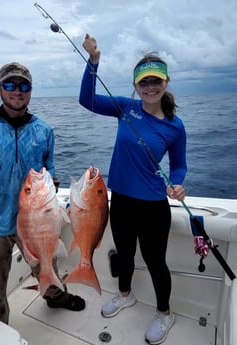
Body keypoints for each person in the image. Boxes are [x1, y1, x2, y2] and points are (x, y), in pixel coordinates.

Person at [0, 62, 85, 324]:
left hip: (37, 222)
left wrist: (53, 201)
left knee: (47, 267)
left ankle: (55, 297)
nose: (17, 91)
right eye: (10, 84)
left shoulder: (44, 130)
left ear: (31, 90)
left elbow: (50, 171)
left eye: (24, 85)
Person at [79, 34, 187, 344]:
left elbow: (178, 164)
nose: (150, 87)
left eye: (156, 81)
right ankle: (125, 295)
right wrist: (94, 60)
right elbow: (87, 100)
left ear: (165, 82)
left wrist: (177, 183)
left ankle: (165, 313)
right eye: (144, 82)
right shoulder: (125, 107)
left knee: (155, 262)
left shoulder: (174, 125)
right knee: (124, 254)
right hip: (121, 201)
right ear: (135, 85)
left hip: (153, 205)